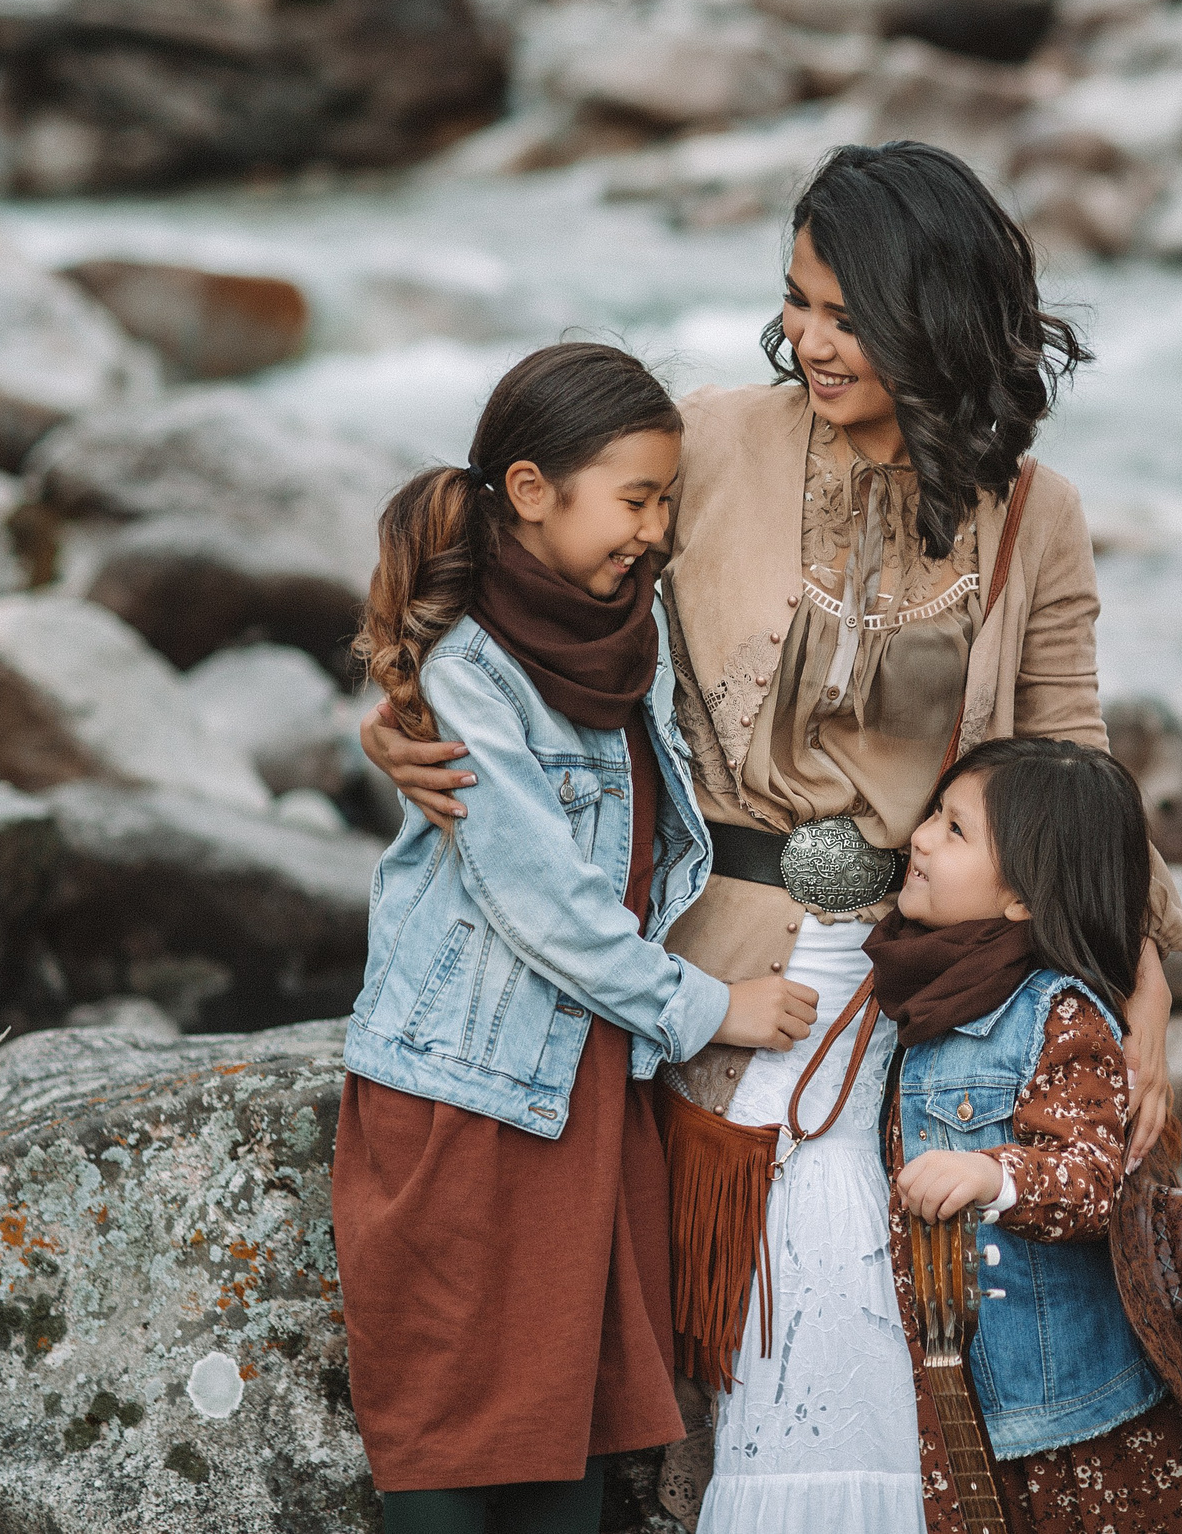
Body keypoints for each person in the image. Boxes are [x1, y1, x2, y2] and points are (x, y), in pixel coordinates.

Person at [359, 141, 1182, 1531]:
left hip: (934, 981)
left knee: (914, 1332)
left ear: (933, 312)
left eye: (845, 311)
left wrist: (1145, 981)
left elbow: (1073, 763)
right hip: (712, 964)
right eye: (796, 300)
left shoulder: (1037, 515)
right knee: (733, 1348)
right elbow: (523, 585)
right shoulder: (711, 443)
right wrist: (391, 709)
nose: (807, 337)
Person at [333, 342, 819, 1534]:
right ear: (532, 492)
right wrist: (712, 1007)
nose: (655, 530)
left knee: (574, 1430)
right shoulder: (471, 678)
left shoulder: (627, 635)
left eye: (666, 502)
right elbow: (541, 900)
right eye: (636, 500)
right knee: (447, 1436)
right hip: (467, 1095)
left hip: (587, 1086)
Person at [880, 738, 1182, 1534]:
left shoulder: (1059, 1011)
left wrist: (991, 1173)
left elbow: (1091, 1178)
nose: (918, 836)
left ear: (1021, 898)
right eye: (934, 815)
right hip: (960, 1397)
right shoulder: (925, 987)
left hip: (1066, 1404)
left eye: (954, 831)